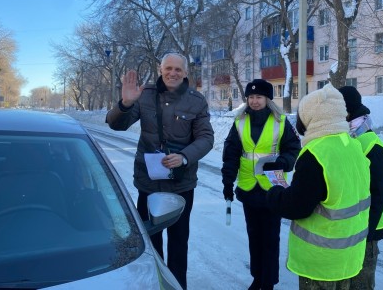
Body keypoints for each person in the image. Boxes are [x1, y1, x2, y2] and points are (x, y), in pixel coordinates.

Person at [106, 53, 214, 290]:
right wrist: (125, 104)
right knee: (149, 243)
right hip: (148, 183)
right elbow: (116, 124)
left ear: (185, 73)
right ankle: (153, 284)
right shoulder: (145, 95)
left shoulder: (196, 101)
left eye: (178, 69)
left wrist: (184, 157)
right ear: (160, 69)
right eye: (168, 68)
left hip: (181, 185)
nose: (173, 73)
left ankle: (177, 285)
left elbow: (206, 138)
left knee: (178, 244)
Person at [266, 83, 370, 290]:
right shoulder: (353, 146)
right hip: (349, 256)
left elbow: (298, 207)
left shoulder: (316, 154)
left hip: (321, 261)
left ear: (313, 117)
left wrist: (276, 193)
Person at [221, 79, 301, 290]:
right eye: (251, 97)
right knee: (254, 237)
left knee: (270, 239)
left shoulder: (281, 122)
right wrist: (228, 182)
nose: (255, 101)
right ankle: (257, 278)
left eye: (259, 97)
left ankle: (269, 282)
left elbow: (293, 149)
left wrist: (283, 163)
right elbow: (230, 154)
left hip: (272, 189)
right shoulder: (239, 122)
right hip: (248, 188)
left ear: (267, 99)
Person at [338, 86, 383, 290]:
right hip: (353, 228)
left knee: (361, 284)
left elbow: (378, 195)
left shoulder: (371, 147)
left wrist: (366, 233)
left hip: (367, 232)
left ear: (346, 112)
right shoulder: (350, 140)